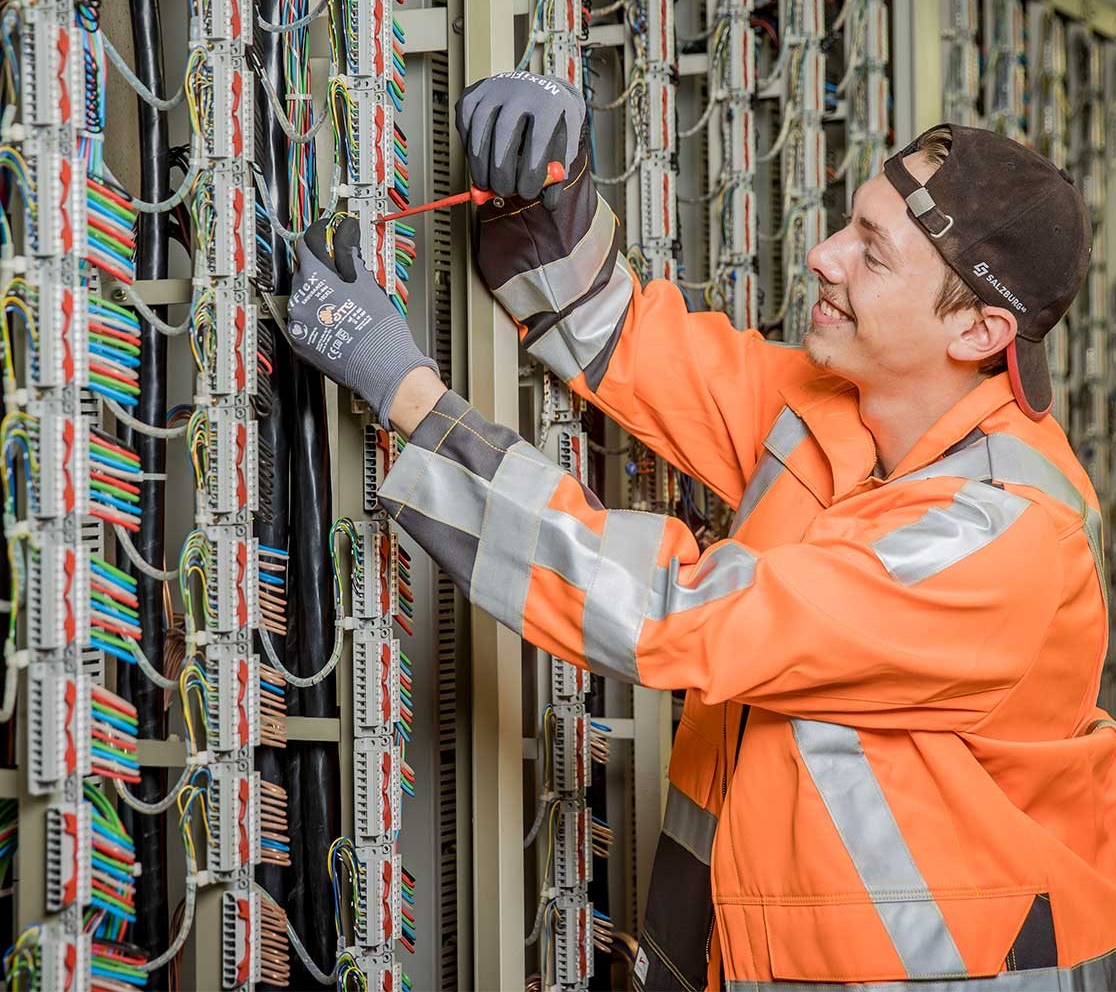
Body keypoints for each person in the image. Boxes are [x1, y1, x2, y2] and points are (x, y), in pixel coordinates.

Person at [287, 72, 1116, 991]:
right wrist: (547, 189)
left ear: (977, 331)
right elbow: (627, 341)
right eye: (849, 222)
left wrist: (405, 392)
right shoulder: (855, 410)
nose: (822, 255)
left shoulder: (1000, 543)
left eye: (872, 254)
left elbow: (676, 608)